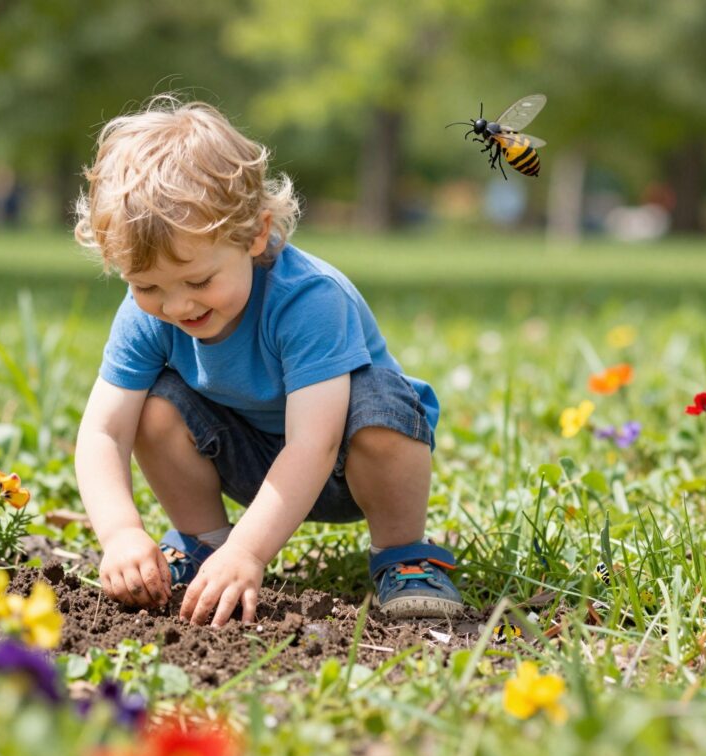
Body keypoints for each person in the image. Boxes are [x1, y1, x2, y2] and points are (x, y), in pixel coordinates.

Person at [73, 96, 462, 628]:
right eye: (147, 286)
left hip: (347, 462)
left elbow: (313, 443)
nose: (177, 305)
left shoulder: (308, 300)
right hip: (244, 460)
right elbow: (103, 431)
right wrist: (120, 533)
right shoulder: (148, 315)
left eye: (199, 280)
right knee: (155, 407)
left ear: (256, 235)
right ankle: (206, 546)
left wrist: (251, 552)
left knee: (381, 402)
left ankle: (404, 554)